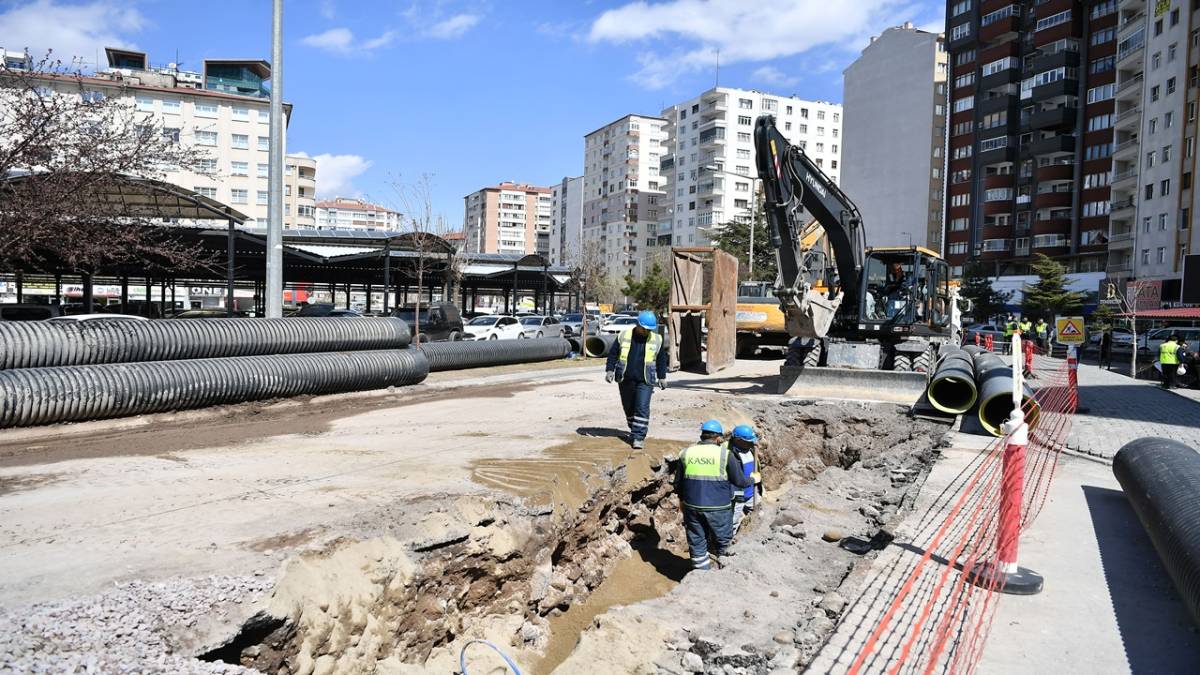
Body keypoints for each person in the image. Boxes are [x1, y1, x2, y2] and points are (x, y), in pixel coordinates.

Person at [674, 420, 758, 571]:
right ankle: (723, 572)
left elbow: (678, 484)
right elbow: (739, 481)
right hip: (719, 508)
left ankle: (701, 574)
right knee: (723, 541)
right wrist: (753, 479)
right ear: (718, 438)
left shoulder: (686, 453)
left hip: (692, 507)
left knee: (697, 541)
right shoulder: (725, 455)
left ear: (702, 435)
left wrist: (682, 501)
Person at [605, 310, 668, 449]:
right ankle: (634, 429)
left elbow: (661, 360)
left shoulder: (656, 339)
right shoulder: (624, 335)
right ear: (638, 325)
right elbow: (613, 354)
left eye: (649, 329)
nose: (646, 331)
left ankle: (638, 437)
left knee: (642, 407)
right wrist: (610, 370)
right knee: (629, 407)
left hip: (645, 380)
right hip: (625, 379)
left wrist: (662, 377)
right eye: (644, 328)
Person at [727, 424, 759, 534]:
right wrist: (753, 480)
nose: (751, 443)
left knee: (757, 517)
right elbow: (737, 480)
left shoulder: (751, 449)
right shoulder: (729, 454)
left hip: (752, 493)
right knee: (733, 523)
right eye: (748, 441)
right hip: (737, 496)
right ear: (738, 440)